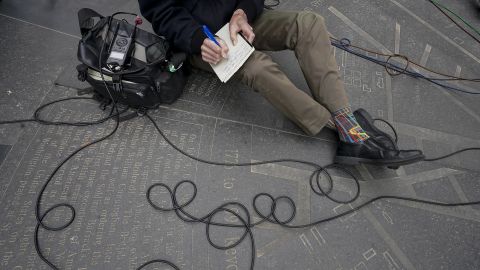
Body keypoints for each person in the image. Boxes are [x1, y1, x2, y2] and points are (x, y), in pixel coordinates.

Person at [138, 0, 424, 168]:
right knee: (256, 66)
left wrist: (242, 12)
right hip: (205, 41)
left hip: (240, 22)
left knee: (308, 23)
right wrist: (196, 40)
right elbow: (162, 13)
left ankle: (346, 119)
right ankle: (349, 131)